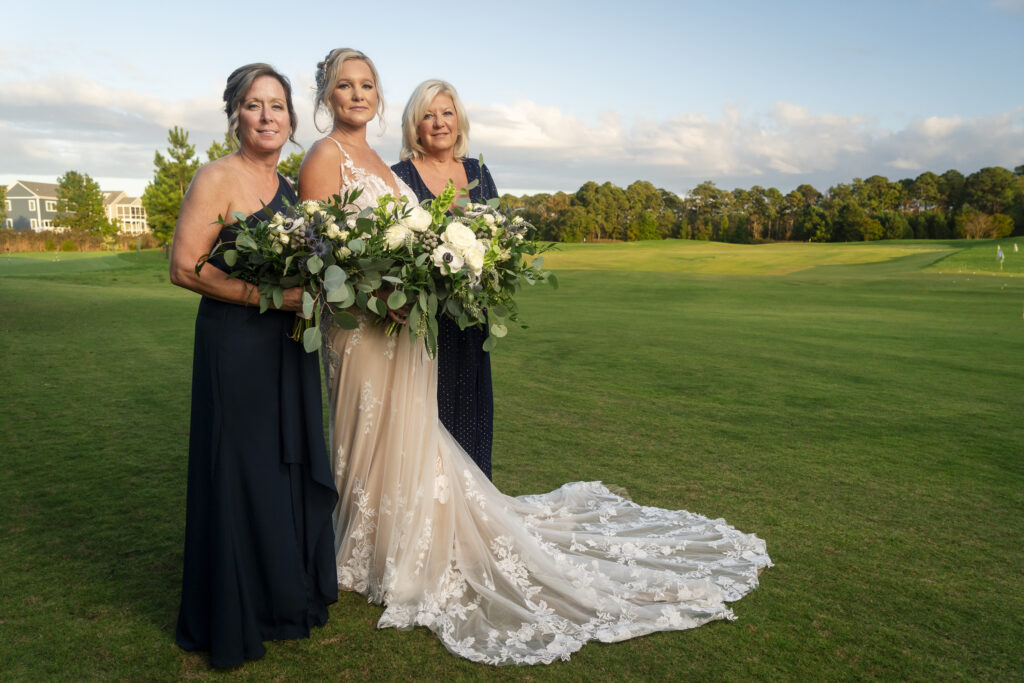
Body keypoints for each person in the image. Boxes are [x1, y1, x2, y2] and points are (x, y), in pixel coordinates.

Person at [302, 48, 772, 666]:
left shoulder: (378, 167)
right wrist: (383, 295)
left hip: (402, 326)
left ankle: (394, 543)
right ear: (327, 95)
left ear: (378, 96)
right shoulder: (324, 158)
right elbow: (323, 248)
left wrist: (411, 290)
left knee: (403, 433)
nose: (357, 94)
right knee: (365, 430)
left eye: (366, 85)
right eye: (345, 85)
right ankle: (365, 548)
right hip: (360, 326)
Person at [169, 63, 338, 668]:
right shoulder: (216, 177)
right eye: (253, 105)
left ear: (291, 119)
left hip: (286, 348)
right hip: (234, 347)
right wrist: (269, 298)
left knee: (280, 467)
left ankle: (279, 595)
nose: (267, 116)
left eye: (277, 106)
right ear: (235, 115)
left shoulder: (294, 188)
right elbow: (186, 267)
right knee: (238, 469)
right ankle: (236, 607)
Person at [391, 80, 497, 479]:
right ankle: (428, 515)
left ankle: (474, 512)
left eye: (446, 113)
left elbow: (497, 238)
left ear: (459, 120)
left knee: (472, 410)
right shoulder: (398, 177)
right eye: (427, 115)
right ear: (414, 126)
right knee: (424, 417)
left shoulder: (478, 173)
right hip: (421, 324)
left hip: (470, 318)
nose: (438, 123)